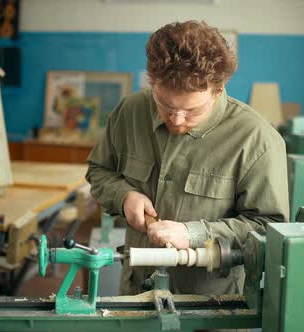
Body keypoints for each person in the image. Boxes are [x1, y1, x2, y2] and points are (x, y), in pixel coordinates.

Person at [86, 20, 289, 296]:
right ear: (152, 81)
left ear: (218, 90)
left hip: (212, 306)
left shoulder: (257, 140)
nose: (177, 120)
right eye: (165, 105)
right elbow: (99, 171)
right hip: (136, 294)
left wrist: (194, 234)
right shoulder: (130, 112)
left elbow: (268, 229)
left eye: (192, 111)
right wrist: (123, 196)